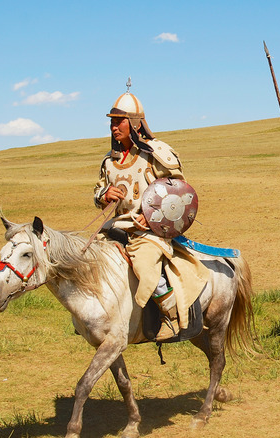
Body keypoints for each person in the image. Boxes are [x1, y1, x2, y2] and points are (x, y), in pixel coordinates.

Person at [94, 90, 209, 341]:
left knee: (146, 268)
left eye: (119, 121)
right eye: (112, 122)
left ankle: (170, 317)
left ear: (135, 123)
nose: (114, 127)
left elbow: (180, 193)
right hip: (117, 226)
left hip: (149, 231)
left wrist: (153, 217)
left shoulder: (155, 153)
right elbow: (97, 192)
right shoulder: (109, 161)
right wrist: (104, 194)